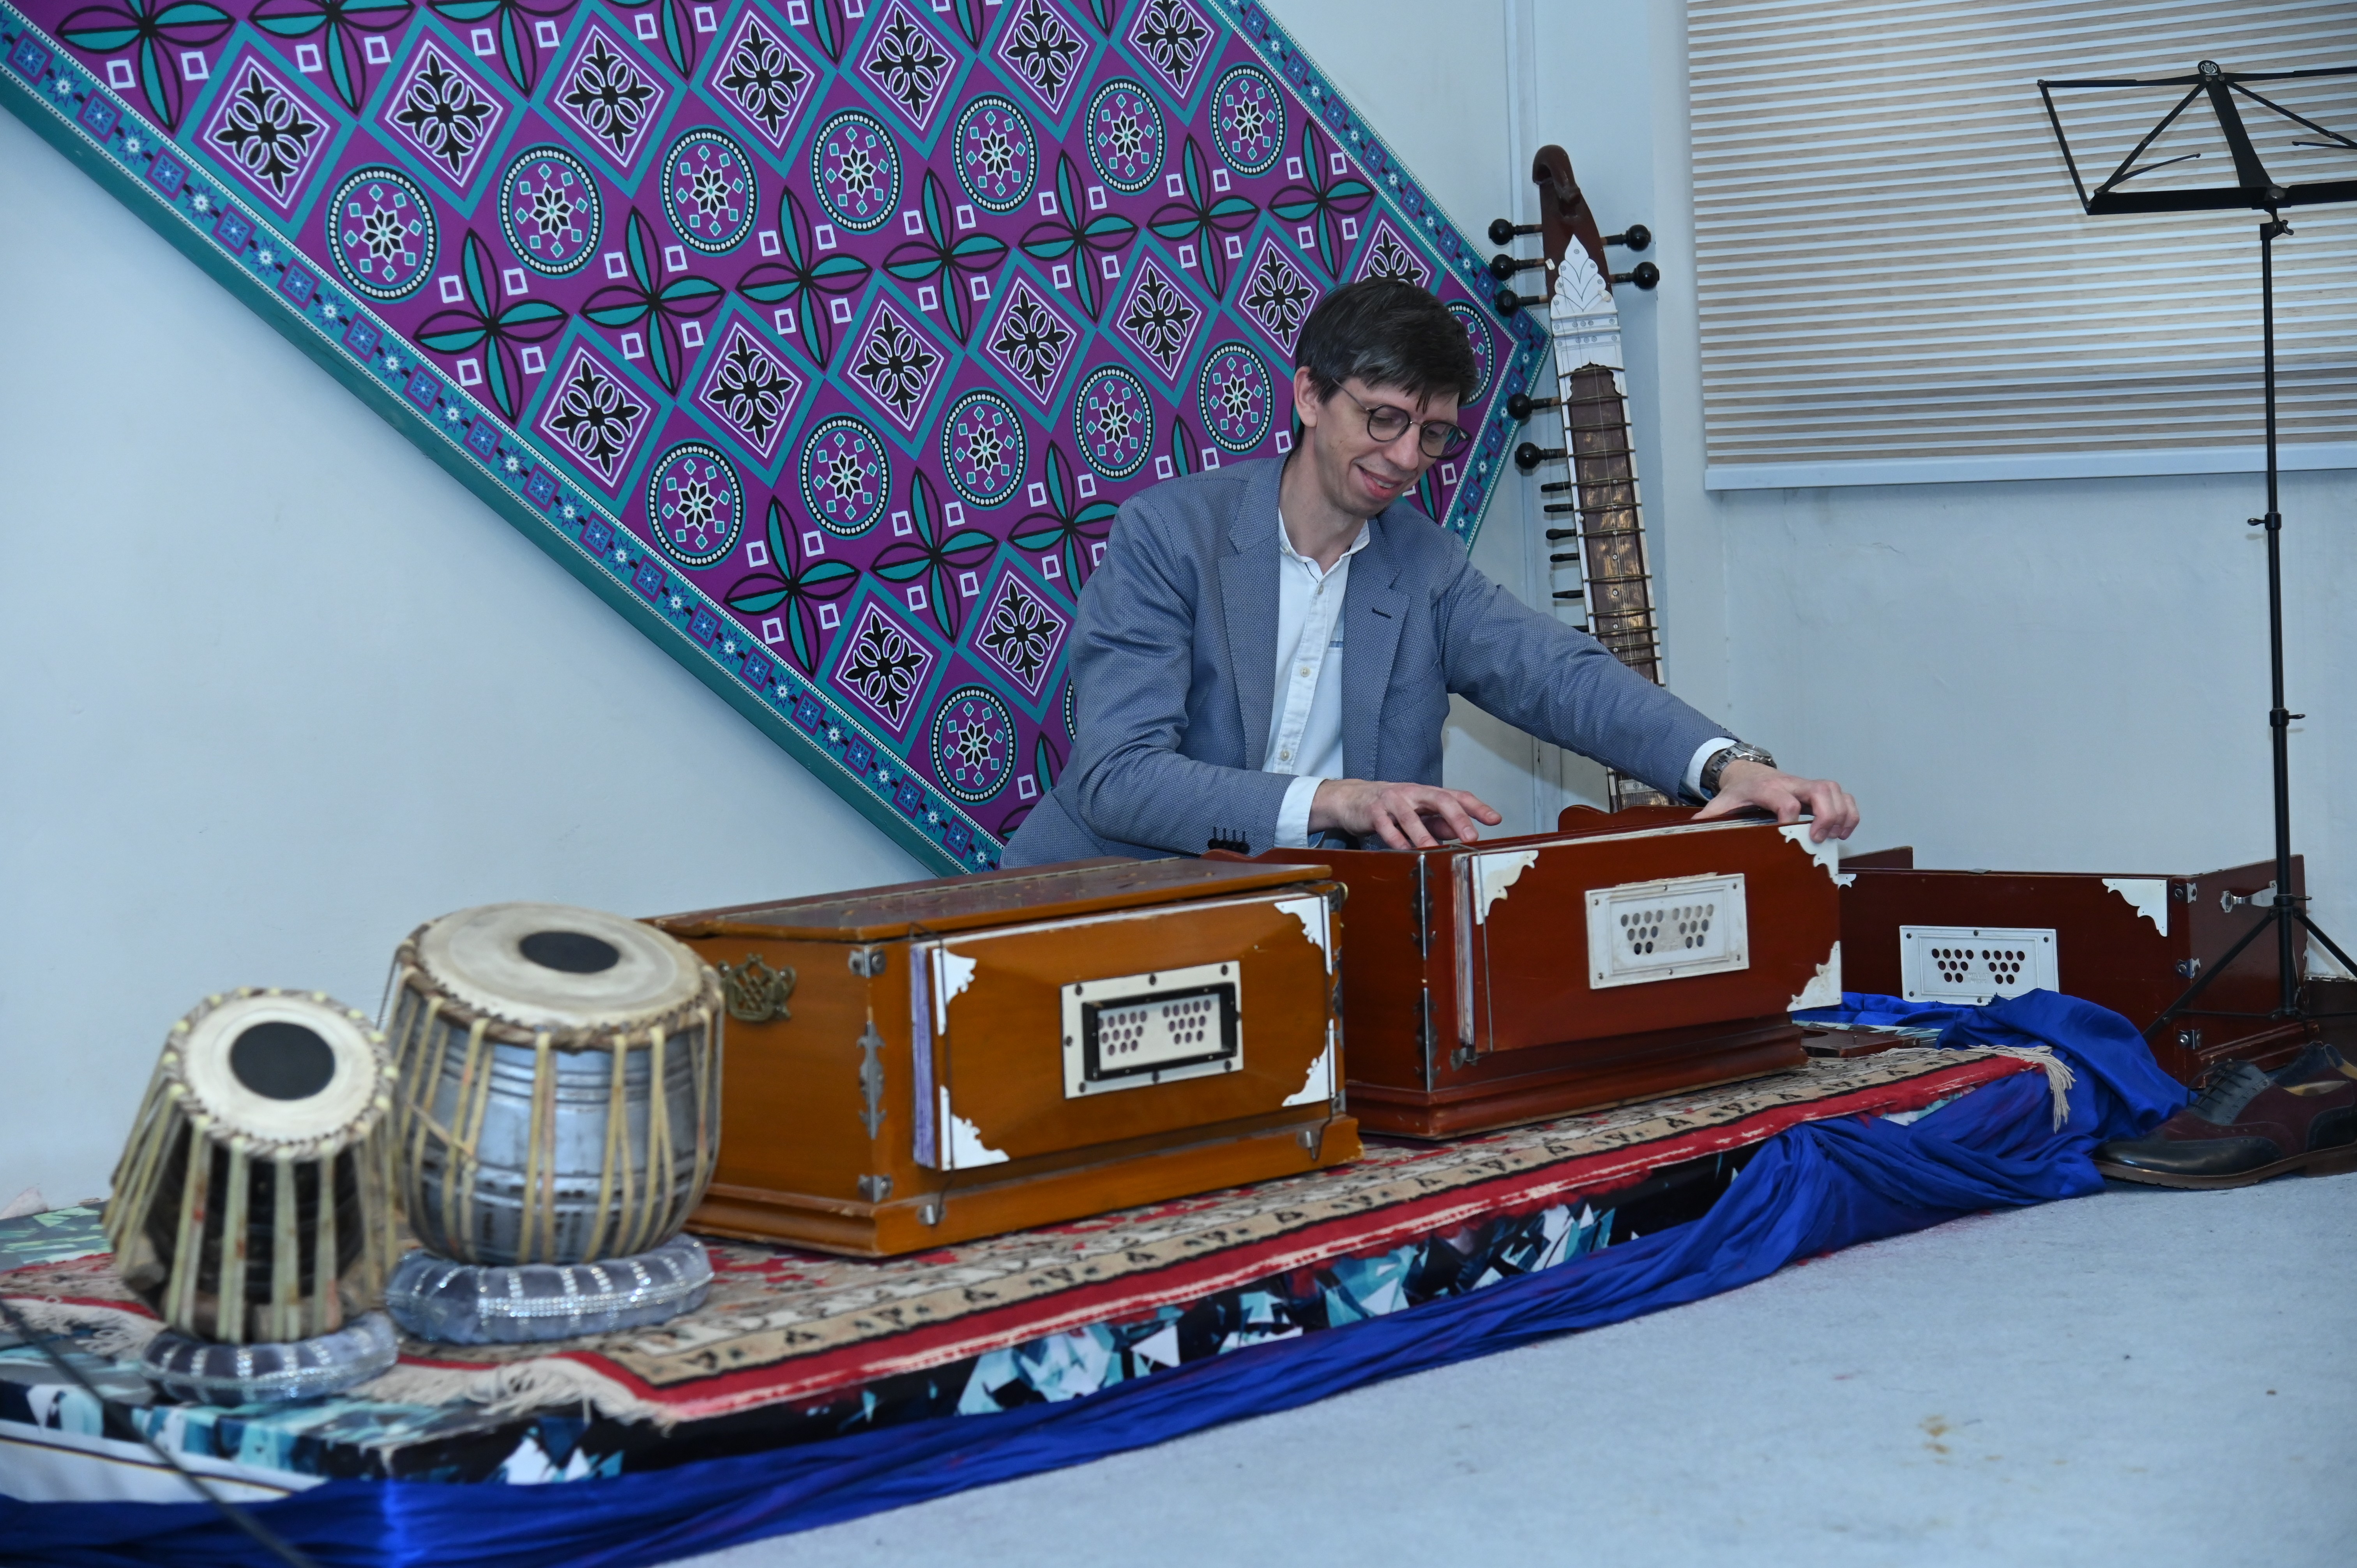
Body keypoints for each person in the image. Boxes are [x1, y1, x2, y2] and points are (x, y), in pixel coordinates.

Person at [1002, 278, 1856, 867]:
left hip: (1319, 921)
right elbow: (1120, 779)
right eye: (1383, 418)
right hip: (1100, 905)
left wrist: (1726, 765)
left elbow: (1561, 676)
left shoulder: (1426, 565)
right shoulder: (1171, 533)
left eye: (1433, 432)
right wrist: (1338, 800)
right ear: (1308, 396)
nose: (1407, 456)